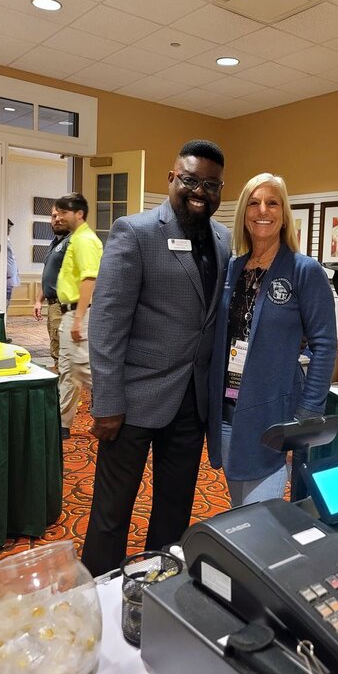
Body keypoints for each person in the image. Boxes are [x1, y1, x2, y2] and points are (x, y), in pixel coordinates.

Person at [82, 139, 231, 576]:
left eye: (211, 184)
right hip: (132, 400)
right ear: (171, 178)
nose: (200, 192)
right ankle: (98, 590)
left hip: (192, 402)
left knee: (175, 509)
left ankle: (161, 583)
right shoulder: (136, 231)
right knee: (112, 510)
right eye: (190, 180)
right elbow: (107, 322)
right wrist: (107, 402)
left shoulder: (224, 240)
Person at [207, 173, 337, 508]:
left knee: (260, 521)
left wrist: (307, 415)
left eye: (272, 203)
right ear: (243, 214)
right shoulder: (232, 269)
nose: (262, 210)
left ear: (284, 214)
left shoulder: (304, 271)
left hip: (274, 418)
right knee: (240, 512)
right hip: (228, 415)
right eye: (253, 203)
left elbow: (324, 346)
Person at [55, 193, 103, 440]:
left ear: (79, 214)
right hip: (71, 313)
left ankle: (113, 412)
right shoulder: (76, 238)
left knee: (86, 371)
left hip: (79, 313)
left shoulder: (85, 240)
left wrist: (77, 318)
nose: (59, 217)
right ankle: (62, 423)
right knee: (68, 370)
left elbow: (89, 279)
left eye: (64, 212)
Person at [33, 207, 70, 372]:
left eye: (62, 215)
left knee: (65, 351)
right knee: (56, 347)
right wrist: (38, 300)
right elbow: (48, 274)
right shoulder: (55, 243)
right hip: (53, 304)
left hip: (65, 306)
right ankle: (60, 380)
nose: (57, 219)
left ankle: (67, 384)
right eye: (54, 216)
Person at [6, 218, 21, 308]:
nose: (9, 230)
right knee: (5, 303)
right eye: (8, 227)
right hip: (6, 278)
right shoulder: (2, 240)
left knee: (7, 302)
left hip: (10, 278)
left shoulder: (7, 240)